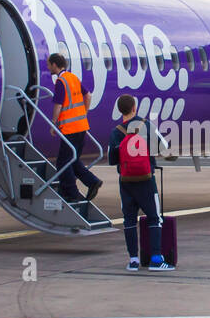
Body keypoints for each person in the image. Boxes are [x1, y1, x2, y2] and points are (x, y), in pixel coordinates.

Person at [107, 94, 174, 272]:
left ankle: (133, 260)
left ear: (120, 110)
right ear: (134, 108)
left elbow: (112, 160)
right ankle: (156, 259)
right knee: (154, 218)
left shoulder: (116, 132)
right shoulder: (146, 126)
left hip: (126, 182)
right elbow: (164, 147)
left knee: (129, 220)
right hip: (146, 179)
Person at [47, 53, 102, 205]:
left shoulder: (61, 81)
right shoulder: (73, 78)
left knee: (63, 162)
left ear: (55, 65)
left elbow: (58, 105)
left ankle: (72, 193)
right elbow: (88, 95)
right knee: (73, 159)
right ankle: (92, 182)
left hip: (70, 128)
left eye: (49, 64)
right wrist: (84, 113)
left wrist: (53, 123)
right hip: (82, 126)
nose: (48, 67)